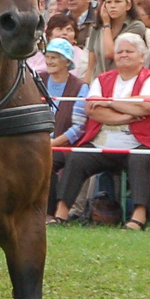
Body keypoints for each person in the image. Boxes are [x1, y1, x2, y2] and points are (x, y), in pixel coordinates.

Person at [49, 33, 150, 229]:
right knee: (77, 157)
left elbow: (148, 107)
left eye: (129, 51)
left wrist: (109, 102)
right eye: (120, 51)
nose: (123, 55)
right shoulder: (102, 79)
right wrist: (126, 116)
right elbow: (92, 110)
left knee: (141, 158)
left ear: (142, 56)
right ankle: (61, 213)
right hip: (101, 141)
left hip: (137, 142)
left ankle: (139, 216)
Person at [41, 38, 86, 204]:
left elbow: (79, 127)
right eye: (48, 56)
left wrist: (52, 143)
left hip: (67, 144)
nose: (49, 61)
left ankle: (50, 211)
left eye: (54, 57)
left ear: (67, 61)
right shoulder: (38, 81)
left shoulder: (80, 87)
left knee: (47, 159)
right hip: (39, 141)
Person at [85, 0, 149, 78]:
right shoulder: (96, 28)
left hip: (124, 80)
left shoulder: (136, 26)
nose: (113, 6)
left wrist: (107, 24)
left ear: (128, 5)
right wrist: (85, 86)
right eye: (109, 2)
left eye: (118, 2)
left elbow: (110, 53)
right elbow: (91, 64)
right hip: (98, 82)